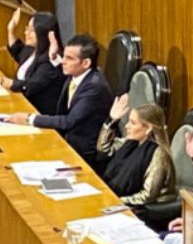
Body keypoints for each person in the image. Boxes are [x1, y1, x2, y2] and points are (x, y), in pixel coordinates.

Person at [6, 34, 113, 170]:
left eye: (69, 58)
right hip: (65, 140)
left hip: (83, 153)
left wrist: (29, 119)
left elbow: (69, 121)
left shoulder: (94, 87)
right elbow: (60, 72)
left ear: (86, 63)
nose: (64, 61)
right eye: (64, 56)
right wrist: (54, 57)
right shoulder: (77, 74)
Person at [0, 9, 65, 115]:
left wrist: (1, 81)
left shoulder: (50, 62)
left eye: (31, 30)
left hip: (40, 115)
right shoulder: (33, 51)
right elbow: (18, 50)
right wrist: (10, 30)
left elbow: (30, 86)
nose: (26, 33)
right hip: (23, 107)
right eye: (26, 29)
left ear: (44, 33)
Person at [97, 96, 177, 205]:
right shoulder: (132, 142)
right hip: (120, 200)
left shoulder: (159, 154)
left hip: (144, 211)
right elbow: (103, 148)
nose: (126, 126)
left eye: (133, 123)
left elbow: (147, 196)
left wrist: (116, 201)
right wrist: (112, 119)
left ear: (148, 128)